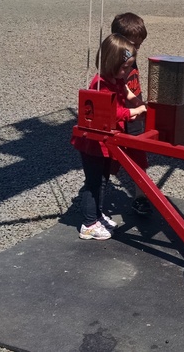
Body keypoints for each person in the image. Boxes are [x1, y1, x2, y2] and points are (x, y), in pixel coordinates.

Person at [71, 33, 147, 240]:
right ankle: (88, 223)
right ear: (110, 63)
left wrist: (139, 102)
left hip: (104, 141)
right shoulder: (101, 84)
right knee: (94, 182)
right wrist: (135, 112)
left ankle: (96, 216)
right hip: (93, 142)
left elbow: (127, 94)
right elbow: (111, 112)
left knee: (102, 180)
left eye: (130, 66)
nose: (127, 71)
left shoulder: (116, 79)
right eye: (124, 67)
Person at [111, 13, 153, 216]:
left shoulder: (130, 57)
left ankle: (140, 196)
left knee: (138, 156)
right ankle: (95, 195)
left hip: (134, 114)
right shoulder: (114, 63)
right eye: (133, 45)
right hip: (119, 115)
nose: (136, 50)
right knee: (109, 158)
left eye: (139, 45)